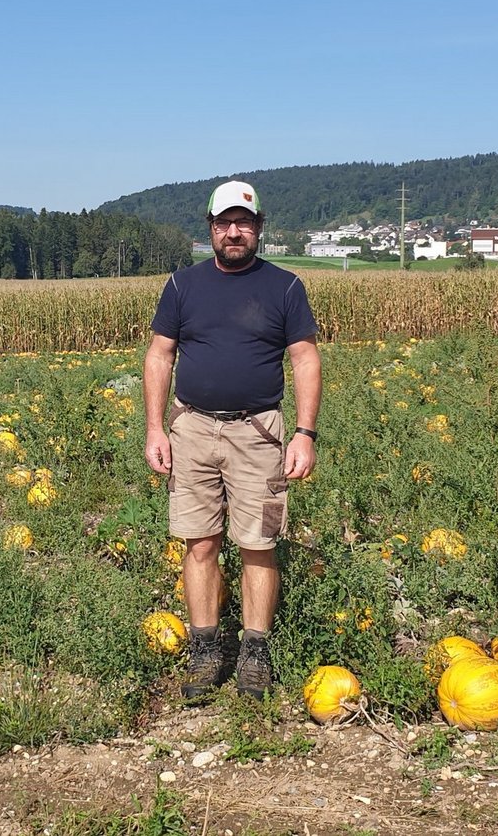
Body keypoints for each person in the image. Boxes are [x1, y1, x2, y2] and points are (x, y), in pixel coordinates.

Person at [143, 180, 321, 700]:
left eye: (244, 222)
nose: (234, 232)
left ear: (259, 227)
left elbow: (305, 360)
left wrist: (304, 434)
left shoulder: (285, 287)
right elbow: (160, 356)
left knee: (258, 544)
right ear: (211, 228)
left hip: (258, 432)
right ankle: (205, 649)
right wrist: (155, 427)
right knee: (199, 542)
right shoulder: (182, 286)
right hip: (192, 430)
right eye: (224, 223)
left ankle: (254, 652)